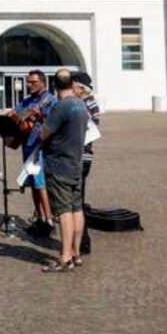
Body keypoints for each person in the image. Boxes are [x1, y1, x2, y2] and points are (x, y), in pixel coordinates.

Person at [39, 69, 88, 272]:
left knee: (64, 211)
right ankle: (76, 253)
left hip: (59, 164)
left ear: (55, 85)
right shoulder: (80, 104)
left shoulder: (62, 106)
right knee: (77, 209)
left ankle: (65, 256)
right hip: (76, 163)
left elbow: (44, 134)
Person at [7, 69, 57, 236]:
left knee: (40, 182)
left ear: (43, 82)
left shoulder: (50, 100)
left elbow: (54, 123)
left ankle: (49, 220)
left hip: (40, 146)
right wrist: (13, 116)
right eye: (28, 82)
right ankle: (40, 217)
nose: (29, 85)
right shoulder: (27, 100)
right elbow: (16, 114)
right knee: (32, 183)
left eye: (33, 82)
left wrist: (41, 116)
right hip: (26, 144)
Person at [72, 71, 99, 255]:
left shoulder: (87, 104)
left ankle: (83, 241)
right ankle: (80, 240)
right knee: (76, 199)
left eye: (72, 86)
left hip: (82, 156)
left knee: (77, 200)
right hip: (78, 156)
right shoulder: (82, 103)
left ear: (81, 89)